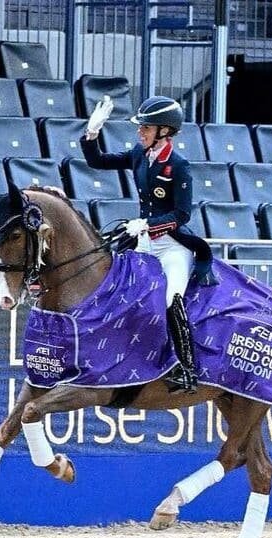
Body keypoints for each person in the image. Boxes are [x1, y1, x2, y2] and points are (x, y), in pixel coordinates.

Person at [80, 95, 212, 394]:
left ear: (164, 131)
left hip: (173, 246)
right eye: (141, 128)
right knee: (115, 287)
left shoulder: (178, 165)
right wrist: (92, 133)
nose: (140, 133)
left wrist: (148, 225)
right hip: (144, 243)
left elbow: (182, 214)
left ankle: (186, 369)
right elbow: (97, 161)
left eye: (146, 128)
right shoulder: (139, 155)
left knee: (171, 299)